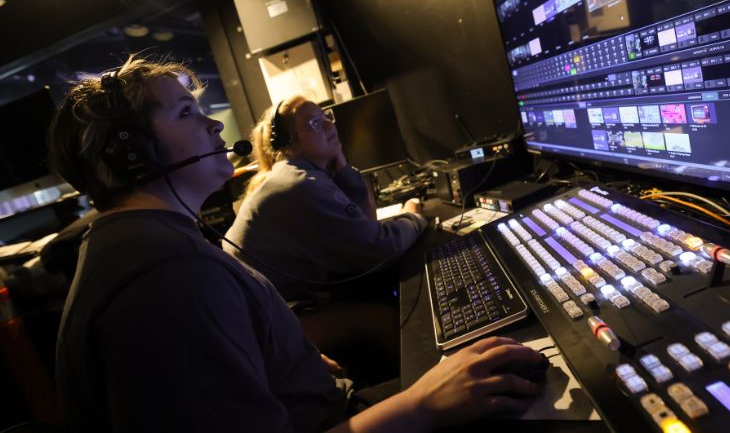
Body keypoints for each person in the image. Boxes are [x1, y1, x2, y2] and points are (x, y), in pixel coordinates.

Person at [48, 55, 546, 432]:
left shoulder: (143, 244)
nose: (215, 125)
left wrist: (280, 356)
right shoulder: (165, 280)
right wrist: (424, 403)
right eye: (185, 112)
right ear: (132, 157)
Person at [223, 96, 426, 362]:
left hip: (281, 309)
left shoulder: (303, 175)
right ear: (290, 145)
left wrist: (340, 163)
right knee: (381, 318)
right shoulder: (298, 184)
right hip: (270, 324)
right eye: (315, 123)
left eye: (327, 117)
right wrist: (415, 218)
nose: (330, 126)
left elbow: (365, 224)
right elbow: (378, 249)